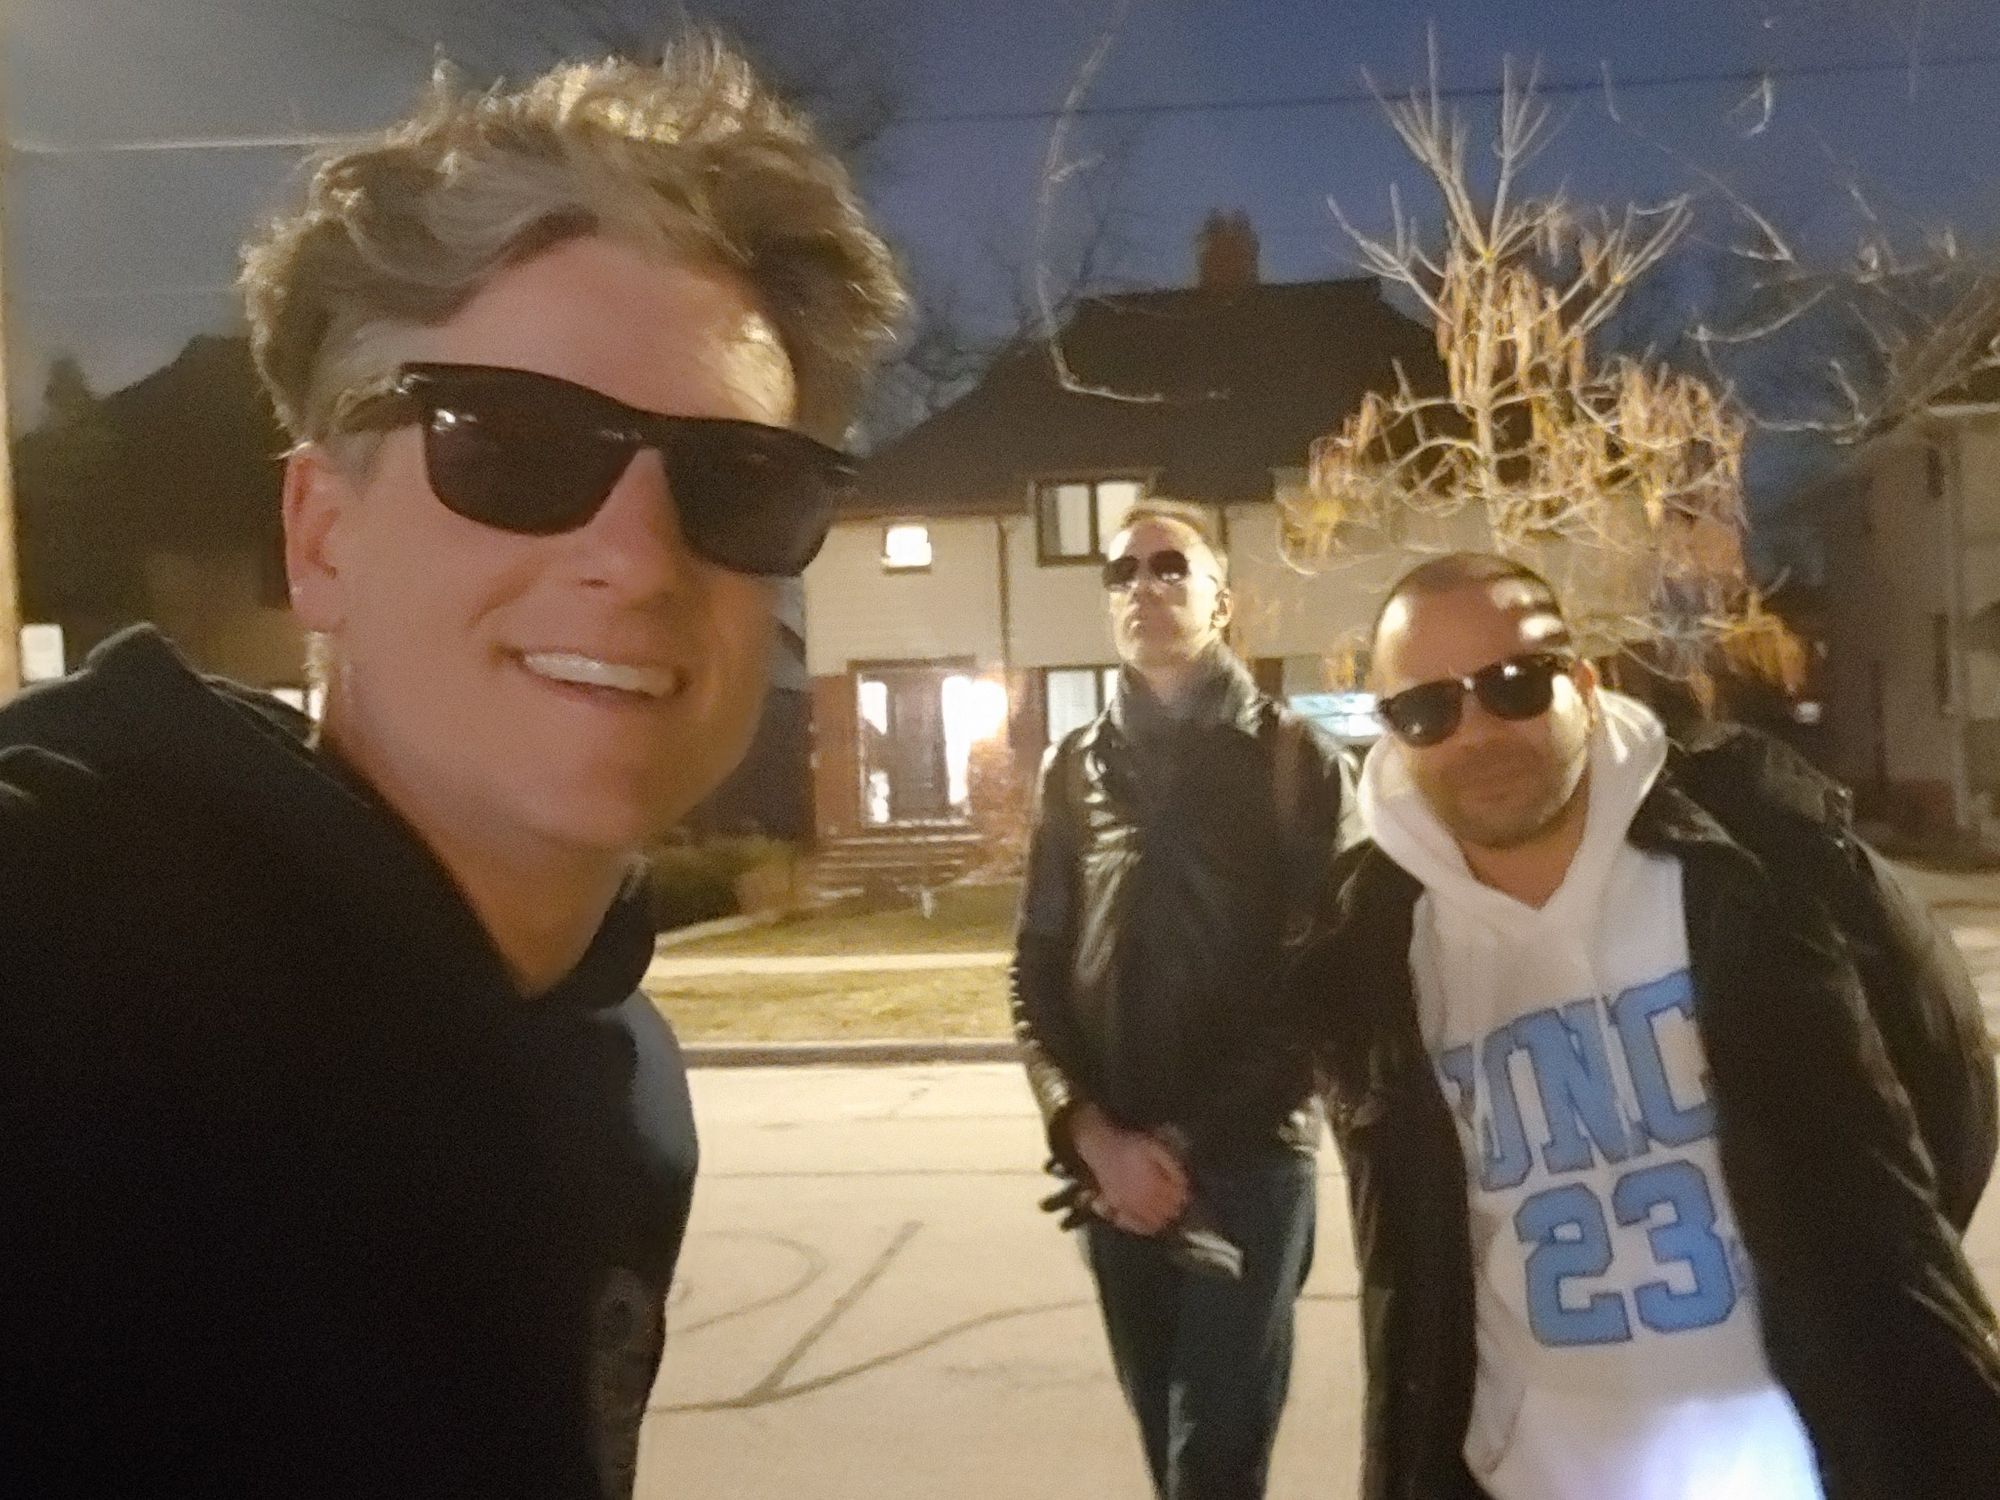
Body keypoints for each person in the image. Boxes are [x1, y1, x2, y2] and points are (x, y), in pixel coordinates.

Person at [0, 38, 903, 1499]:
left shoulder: (619, 1079)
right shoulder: (65, 954)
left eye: (738, 481)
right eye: (518, 447)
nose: (636, 557)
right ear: (321, 536)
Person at [1287, 551, 2000, 1500]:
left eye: (1515, 683)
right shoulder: (1370, 942)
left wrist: (1875, 1281)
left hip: (1808, 1467)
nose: (1478, 732)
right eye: (1427, 708)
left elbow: (1946, 1077)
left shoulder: (1758, 850)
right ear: (1392, 732)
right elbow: (1406, 1264)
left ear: (1584, 686)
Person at [1010, 501, 1353, 1498]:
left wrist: (1181, 1145)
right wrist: (1090, 1134)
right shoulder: (1072, 768)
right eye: (1122, 573)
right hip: (1112, 1177)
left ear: (1221, 601)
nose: (1144, 587)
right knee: (1166, 1451)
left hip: (1246, 1168)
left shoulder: (1294, 762)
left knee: (1213, 1464)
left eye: (1170, 567)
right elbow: (1034, 971)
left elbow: (1328, 991)